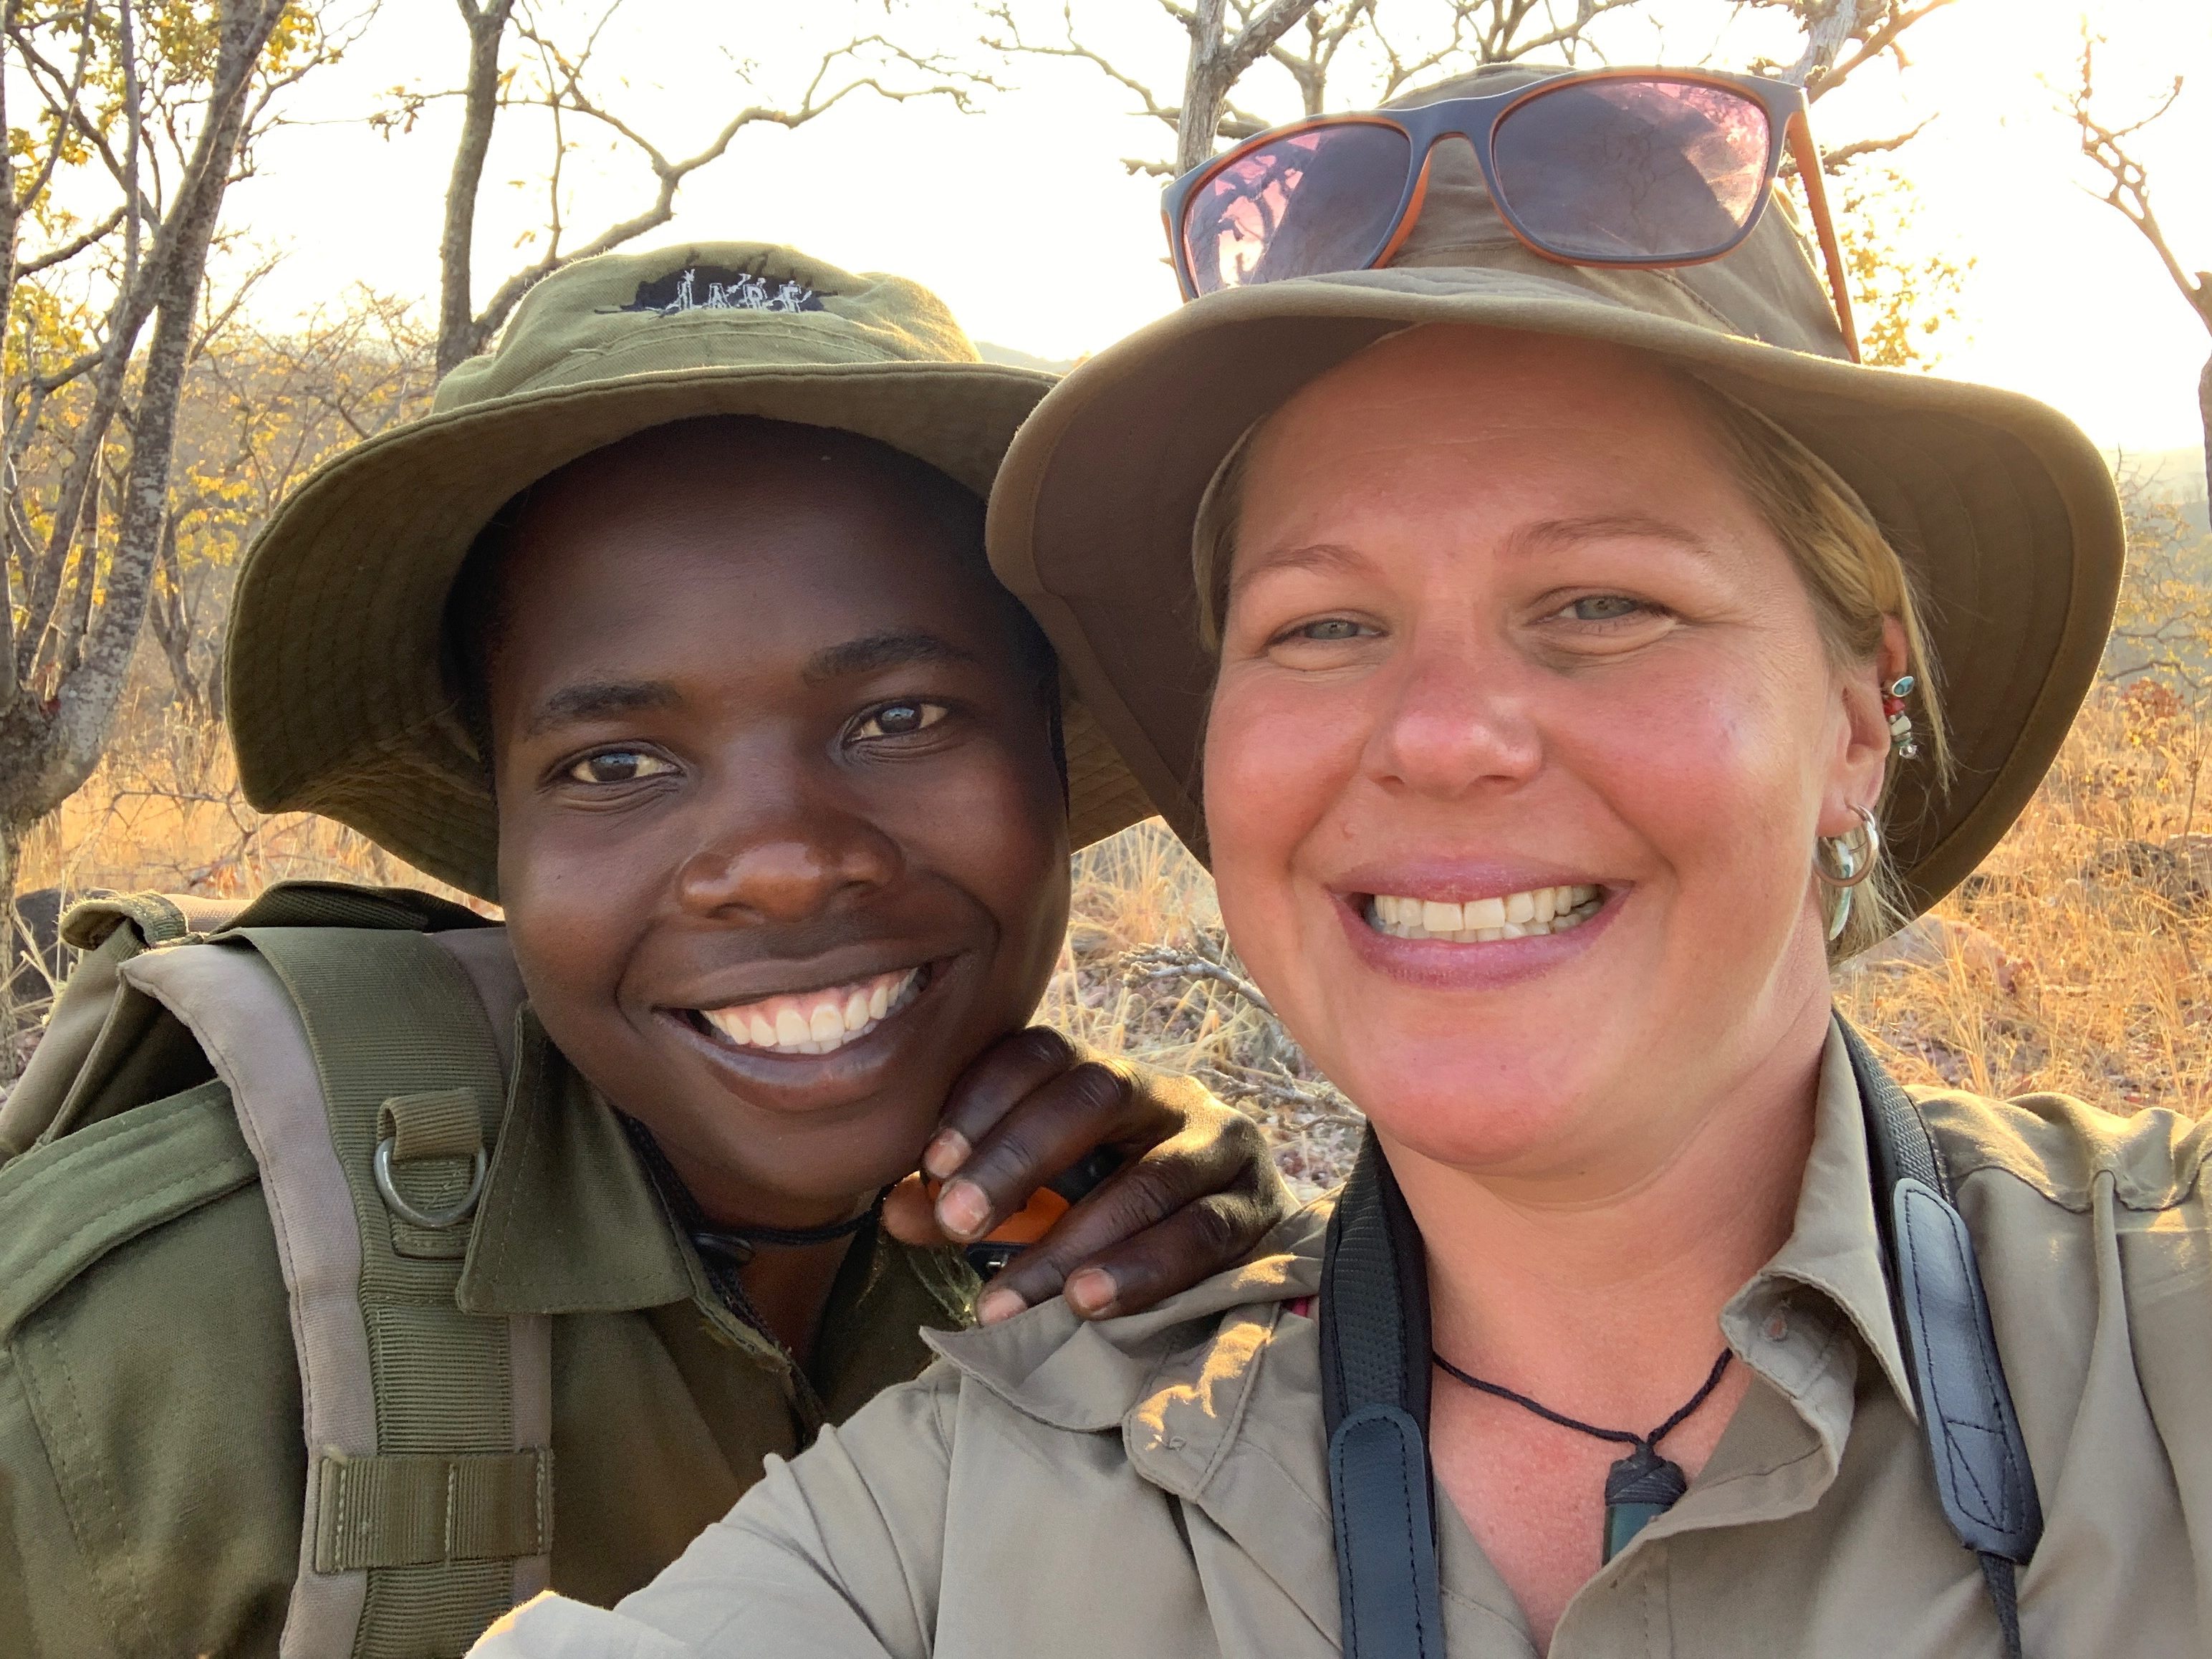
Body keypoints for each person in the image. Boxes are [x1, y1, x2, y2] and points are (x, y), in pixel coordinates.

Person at [476, 65, 2187, 1659]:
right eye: (1324, 624)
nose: (1440, 736)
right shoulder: (964, 1506)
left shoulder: (2153, 1334)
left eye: (1601, 603)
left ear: (1854, 718)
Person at [0, 241, 1295, 1659]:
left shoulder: (1107, 1226)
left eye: (901, 720)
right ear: (501, 832)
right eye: (617, 761)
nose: (785, 864)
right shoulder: (140, 1355)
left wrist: (1251, 1288)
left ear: (1052, 754)